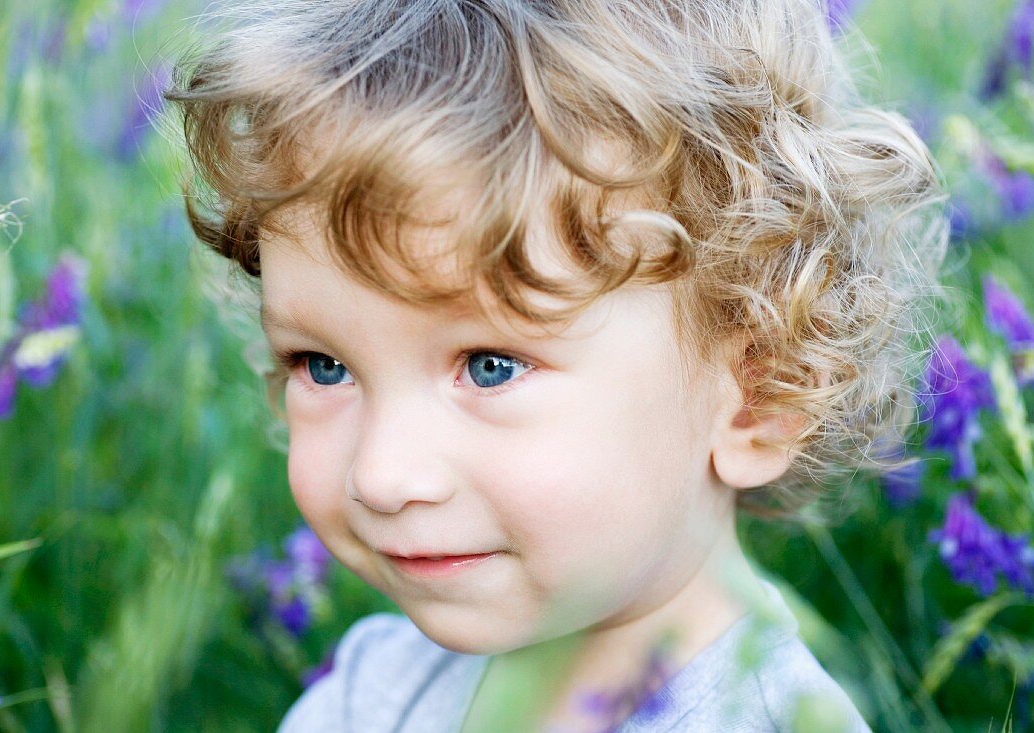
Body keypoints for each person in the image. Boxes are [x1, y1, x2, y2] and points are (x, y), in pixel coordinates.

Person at [165, 0, 945, 730]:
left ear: (756, 396)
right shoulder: (374, 694)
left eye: (491, 365)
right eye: (325, 366)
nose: (382, 474)